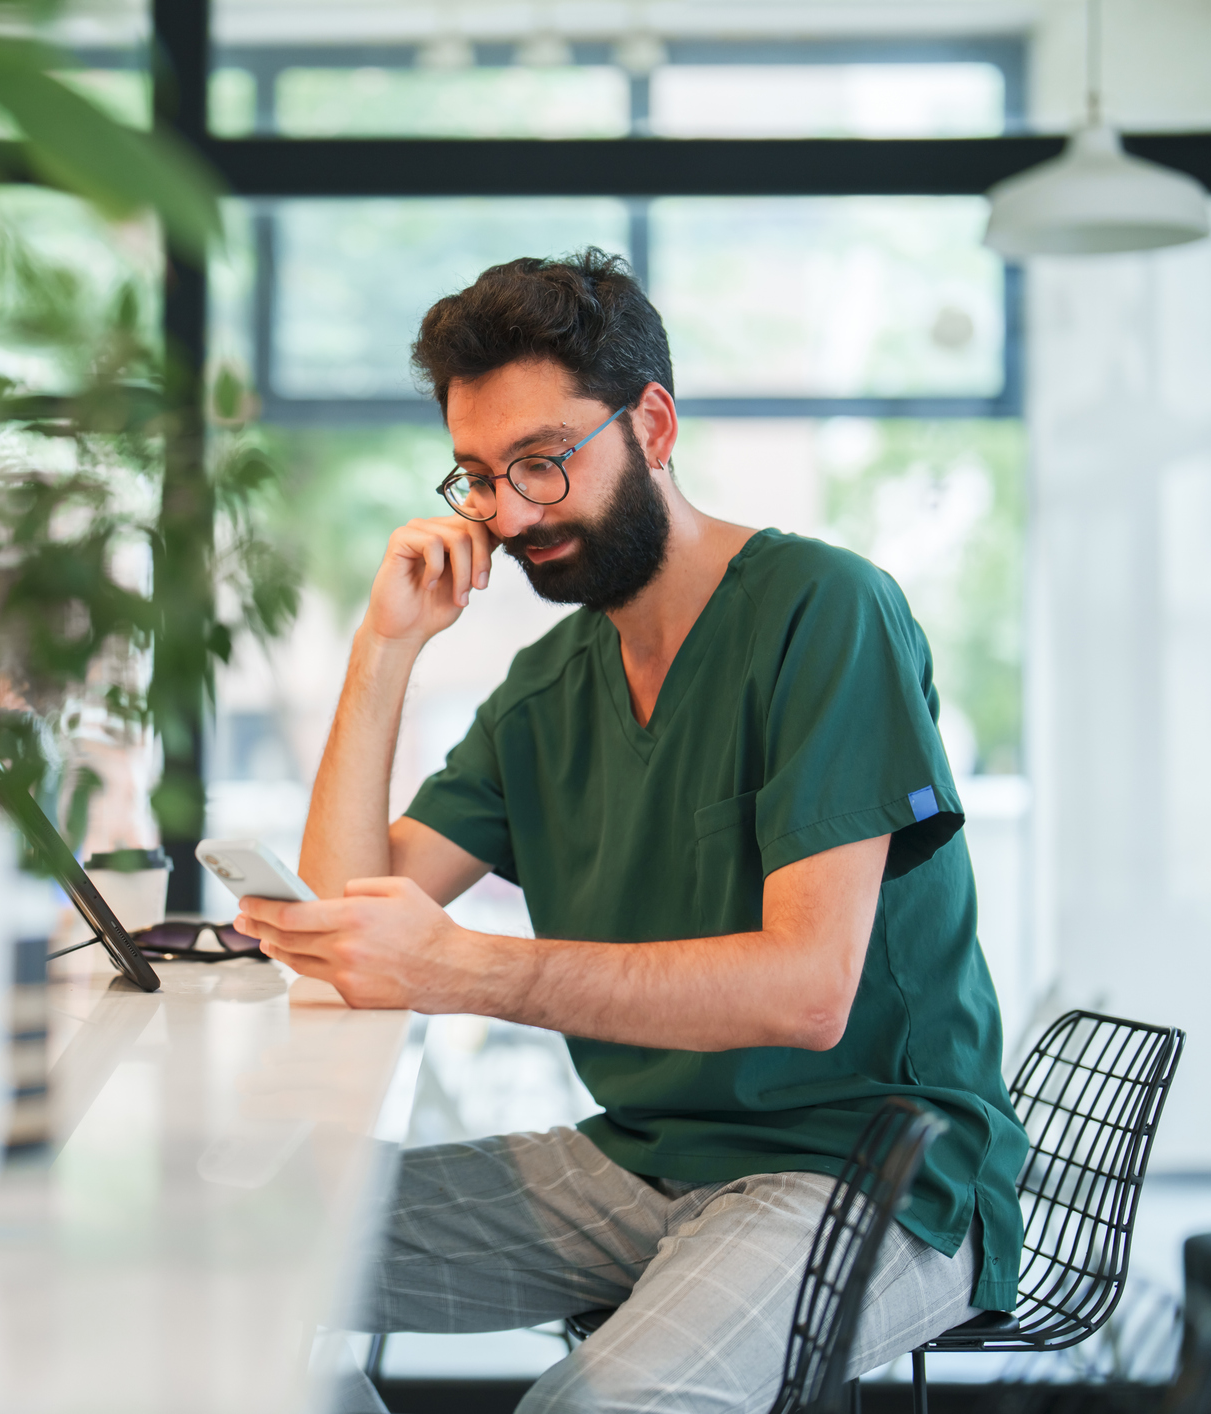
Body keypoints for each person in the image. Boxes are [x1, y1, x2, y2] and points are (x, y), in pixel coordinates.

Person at [235, 249, 1028, 1414]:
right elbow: (353, 923)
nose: (509, 514)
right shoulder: (549, 688)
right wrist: (386, 649)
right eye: (478, 477)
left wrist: (465, 970)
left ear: (652, 423)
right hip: (643, 1156)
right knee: (249, 1246)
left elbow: (809, 992)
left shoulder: (826, 611)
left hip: (868, 1173)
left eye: (544, 462)